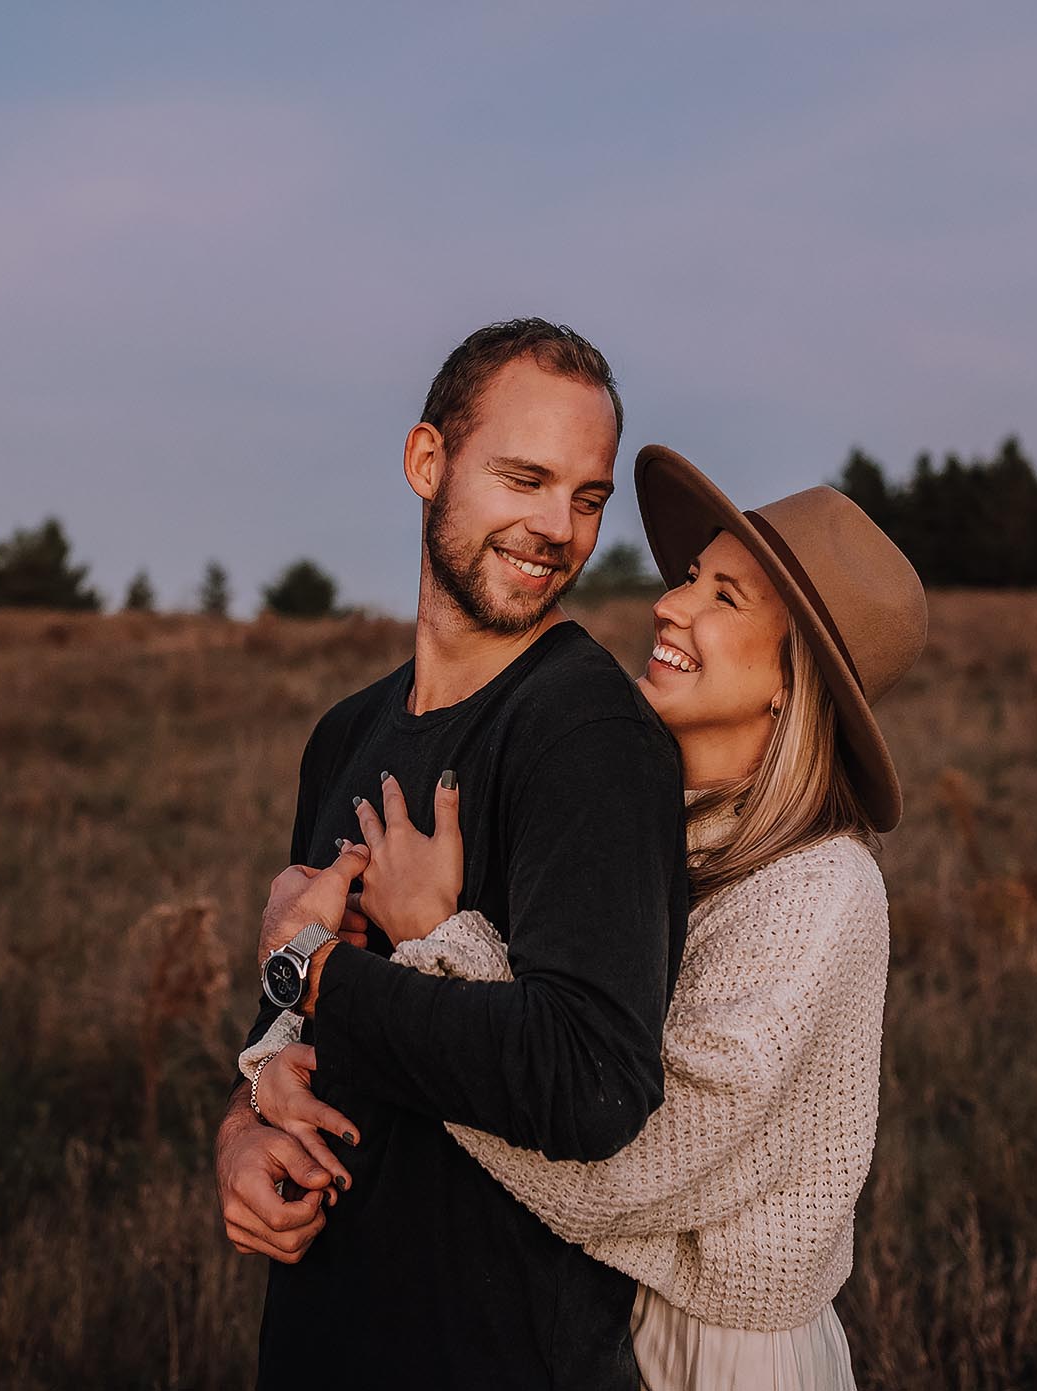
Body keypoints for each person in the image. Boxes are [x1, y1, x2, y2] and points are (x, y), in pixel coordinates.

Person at [250, 446, 928, 1389]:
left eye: (724, 598)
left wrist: (428, 941)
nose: (669, 604)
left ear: (792, 679)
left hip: (720, 1356)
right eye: (690, 576)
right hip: (588, 1321)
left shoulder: (820, 889)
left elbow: (626, 1149)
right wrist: (269, 1083)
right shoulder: (638, 820)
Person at [213, 319, 692, 1388]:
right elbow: (289, 1015)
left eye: (585, 495)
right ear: (426, 461)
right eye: (523, 478)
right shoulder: (347, 732)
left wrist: (319, 967)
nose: (555, 528)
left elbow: (592, 1080)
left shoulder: (588, 738)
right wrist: (240, 1129)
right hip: (318, 1341)